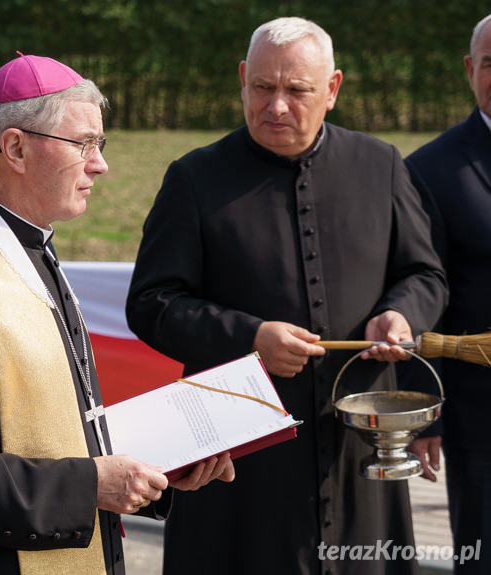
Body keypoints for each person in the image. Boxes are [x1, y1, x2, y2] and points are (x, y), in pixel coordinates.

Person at [0, 53, 235, 575]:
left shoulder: (30, 248)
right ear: (16, 148)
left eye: (100, 144)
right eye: (84, 144)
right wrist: (91, 485)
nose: (100, 164)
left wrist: (158, 465)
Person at [126, 17, 447, 575]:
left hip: (358, 444)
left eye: (296, 91)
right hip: (237, 455)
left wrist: (401, 315)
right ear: (242, 79)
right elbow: (152, 302)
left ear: (332, 89)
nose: (276, 106)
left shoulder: (381, 165)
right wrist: (248, 337)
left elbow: (426, 274)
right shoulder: (195, 178)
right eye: (262, 87)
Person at [404, 14, 491, 575]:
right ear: (469, 70)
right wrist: (423, 412)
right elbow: (416, 286)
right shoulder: (430, 169)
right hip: (479, 412)